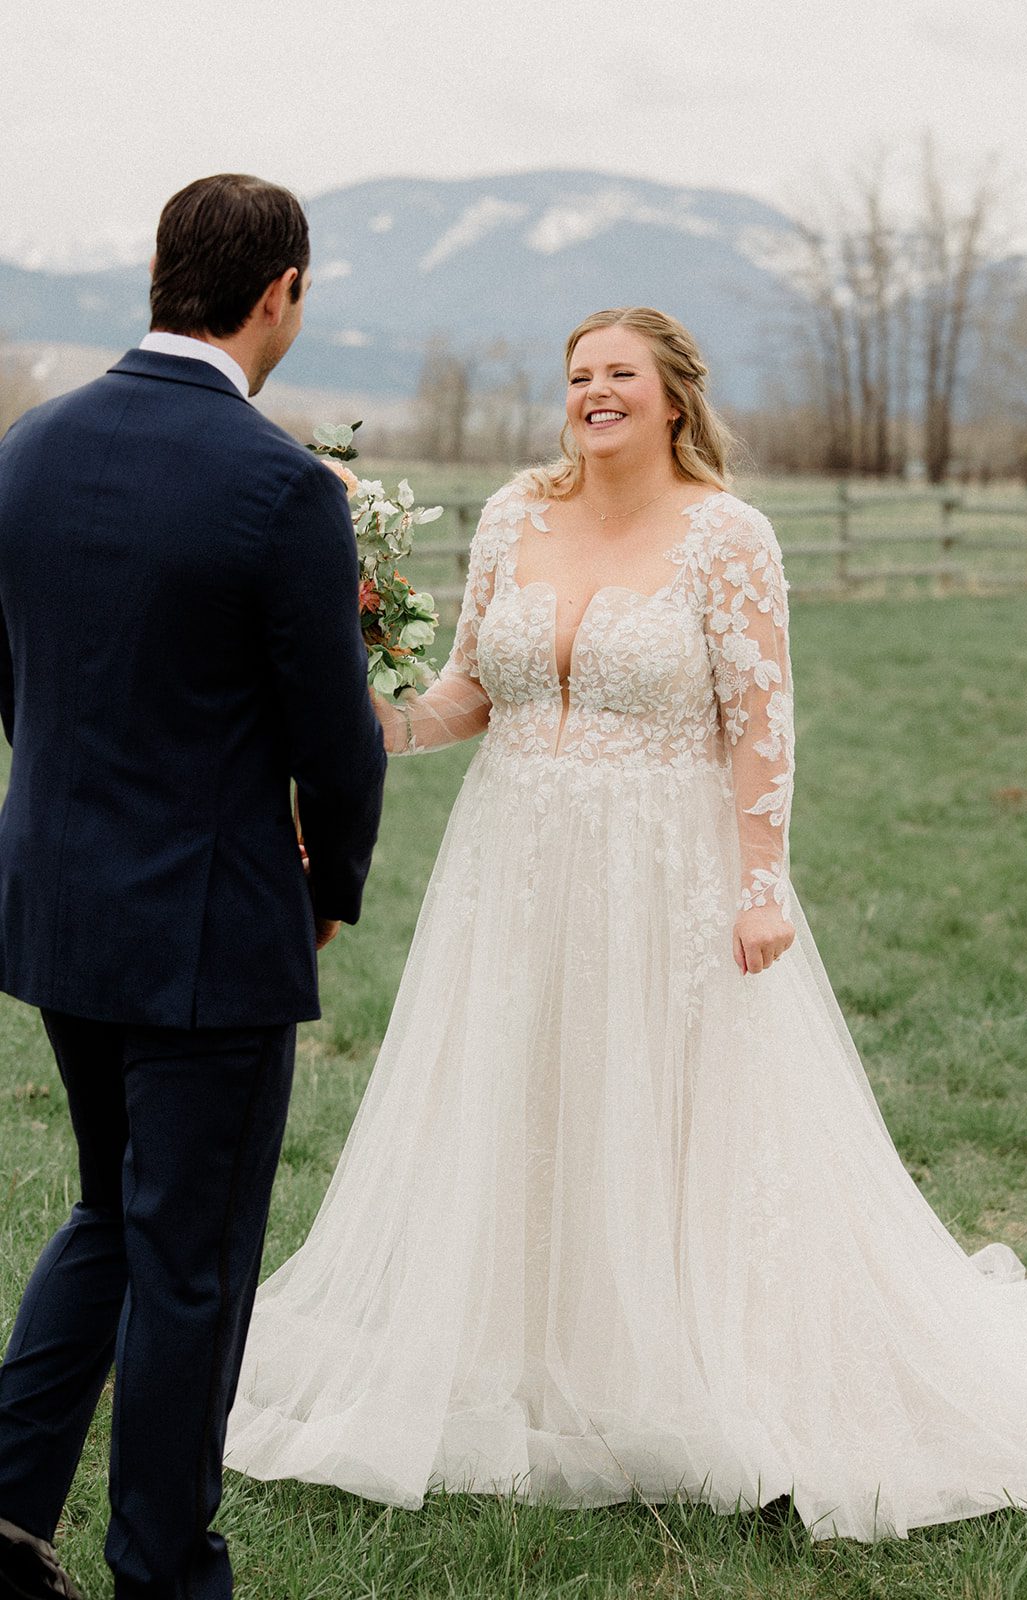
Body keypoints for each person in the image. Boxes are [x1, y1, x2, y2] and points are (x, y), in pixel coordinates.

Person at [226, 306, 1027, 1541]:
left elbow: (761, 717)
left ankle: (681, 1361)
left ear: (672, 396)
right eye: (576, 375)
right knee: (526, 1093)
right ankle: (527, 1345)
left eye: (618, 373)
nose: (592, 391)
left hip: (666, 867)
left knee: (669, 1109)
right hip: (514, 858)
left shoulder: (726, 536)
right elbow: (469, 689)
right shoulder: (515, 514)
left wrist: (760, 880)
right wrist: (355, 720)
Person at [0, 175, 385, 1600]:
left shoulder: (27, 448)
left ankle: (3, 1512)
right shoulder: (276, 485)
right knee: (191, 1263)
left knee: (113, 1210)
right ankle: (163, 1575)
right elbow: (334, 742)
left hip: (57, 903)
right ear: (280, 290)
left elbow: (18, 685)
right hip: (207, 931)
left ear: (163, 271)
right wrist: (329, 883)